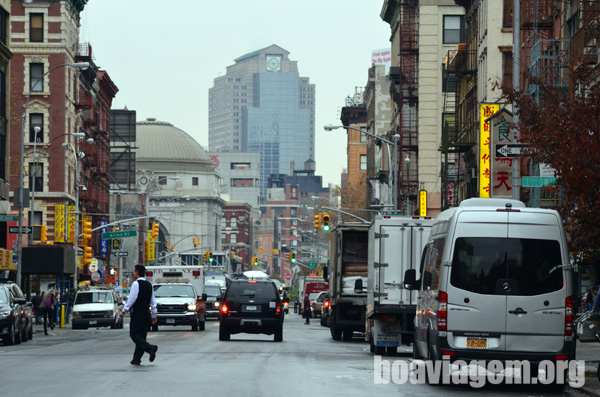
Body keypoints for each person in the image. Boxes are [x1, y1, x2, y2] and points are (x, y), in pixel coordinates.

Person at [120, 264, 158, 365]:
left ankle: (150, 348)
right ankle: (136, 359)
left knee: (134, 335)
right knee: (141, 337)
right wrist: (154, 315)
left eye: (134, 271)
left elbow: (132, 299)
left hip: (138, 314)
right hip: (147, 314)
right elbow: (153, 302)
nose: (134, 273)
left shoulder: (136, 284)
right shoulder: (149, 285)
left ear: (137, 272)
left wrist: (124, 310)